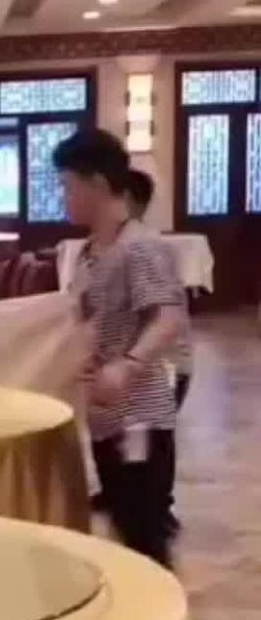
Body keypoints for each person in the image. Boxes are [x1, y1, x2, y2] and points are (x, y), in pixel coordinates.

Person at [53, 128, 183, 567]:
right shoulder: (91, 251)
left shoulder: (139, 247)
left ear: (98, 183)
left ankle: (161, 606)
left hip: (139, 416)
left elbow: (167, 316)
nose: (64, 197)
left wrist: (126, 366)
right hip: (107, 417)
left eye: (68, 186)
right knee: (125, 525)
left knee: (144, 536)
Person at [124, 167, 192, 535]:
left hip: (165, 363)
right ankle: (130, 496)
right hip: (141, 363)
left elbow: (165, 319)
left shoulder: (144, 248)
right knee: (132, 434)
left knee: (156, 437)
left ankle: (160, 507)